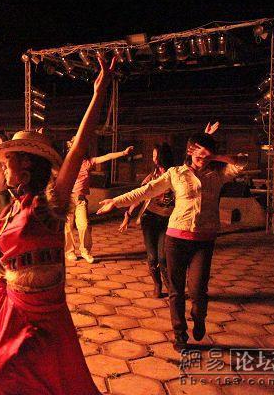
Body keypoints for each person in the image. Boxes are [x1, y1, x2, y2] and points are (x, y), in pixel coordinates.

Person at [0, 55, 117, 395]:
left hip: (48, 312)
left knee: (54, 382)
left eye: (8, 163)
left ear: (27, 168)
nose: (3, 169)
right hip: (15, 308)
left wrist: (98, 93)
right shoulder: (9, 212)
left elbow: (78, 148)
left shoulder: (50, 205)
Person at [97, 132, 248, 351]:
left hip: (204, 241)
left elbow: (242, 161)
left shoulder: (218, 174)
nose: (202, 158)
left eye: (207, 154)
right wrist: (117, 201)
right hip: (176, 238)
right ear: (189, 151)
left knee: (197, 290)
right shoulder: (176, 173)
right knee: (176, 290)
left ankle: (199, 317)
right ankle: (179, 334)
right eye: (198, 153)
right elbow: (147, 190)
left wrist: (214, 156)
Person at [118, 143, 175, 297]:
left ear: (163, 157)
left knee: (163, 257)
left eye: (156, 156)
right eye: (153, 156)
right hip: (150, 219)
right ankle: (157, 285)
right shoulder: (152, 177)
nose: (154, 159)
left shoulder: (175, 175)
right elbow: (139, 196)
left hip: (168, 220)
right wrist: (128, 215)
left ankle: (171, 288)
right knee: (152, 256)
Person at [65, 140, 134, 263]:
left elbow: (107, 156)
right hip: (68, 199)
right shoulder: (67, 162)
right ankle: (69, 252)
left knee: (84, 225)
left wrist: (123, 153)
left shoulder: (88, 162)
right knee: (68, 227)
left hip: (81, 200)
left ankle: (85, 251)